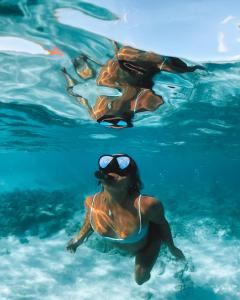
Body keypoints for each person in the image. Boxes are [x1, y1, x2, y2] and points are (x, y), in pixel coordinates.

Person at [66, 154, 185, 285]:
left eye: (120, 171)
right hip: (121, 248)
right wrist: (77, 241)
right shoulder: (90, 202)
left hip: (145, 246)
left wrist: (171, 247)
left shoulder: (147, 205)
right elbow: (89, 223)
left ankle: (158, 249)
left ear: (132, 180)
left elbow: (162, 224)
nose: (112, 174)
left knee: (140, 279)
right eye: (107, 169)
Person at [62, 42, 204, 128]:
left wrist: (66, 77)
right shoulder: (144, 103)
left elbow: (79, 98)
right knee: (180, 69)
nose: (113, 125)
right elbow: (158, 101)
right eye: (120, 124)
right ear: (127, 118)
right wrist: (188, 70)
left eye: (108, 124)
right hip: (143, 66)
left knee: (118, 55)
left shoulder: (97, 113)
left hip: (119, 64)